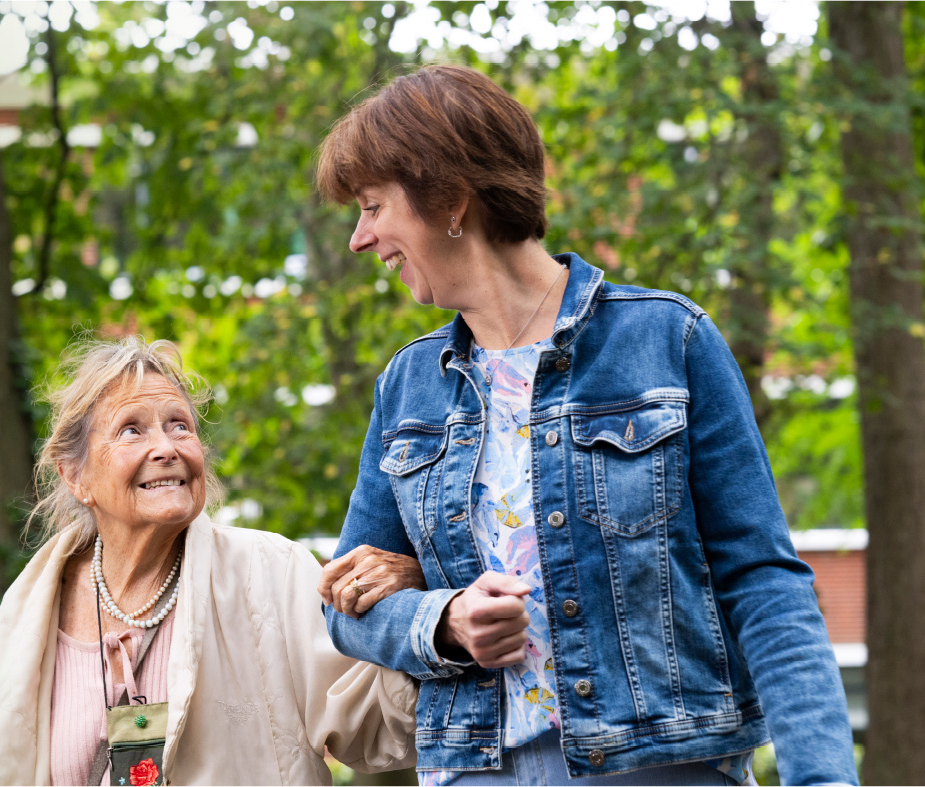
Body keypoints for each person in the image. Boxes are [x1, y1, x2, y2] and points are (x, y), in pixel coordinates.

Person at [312, 65, 857, 786]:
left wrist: (820, 777)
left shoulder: (668, 340)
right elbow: (347, 608)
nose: (359, 237)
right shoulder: (410, 386)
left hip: (663, 768)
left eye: (374, 205)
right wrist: (442, 620)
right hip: (477, 771)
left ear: (448, 198)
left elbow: (761, 581)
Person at [0, 337, 421, 786]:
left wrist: (422, 609)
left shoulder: (270, 572)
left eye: (180, 426)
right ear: (76, 476)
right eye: (131, 430)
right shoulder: (24, 620)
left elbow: (377, 725)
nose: (167, 448)